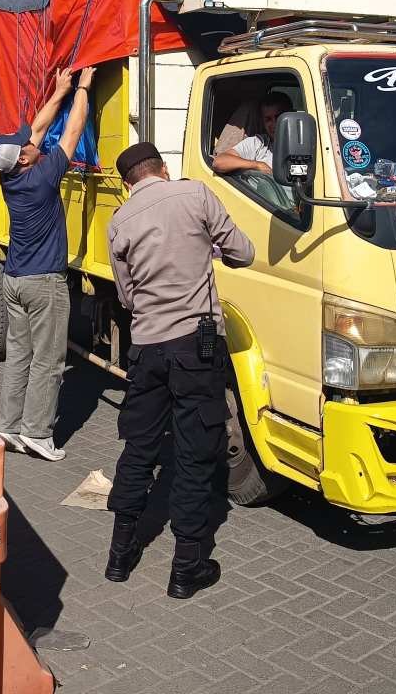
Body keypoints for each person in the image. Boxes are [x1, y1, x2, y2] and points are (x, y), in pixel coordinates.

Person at [104, 141, 255, 599]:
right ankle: (186, 568)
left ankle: (119, 556)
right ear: (163, 169)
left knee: (139, 447)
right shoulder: (196, 194)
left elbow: (127, 297)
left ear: (128, 183)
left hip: (147, 348)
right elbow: (243, 252)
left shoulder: (119, 221)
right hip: (196, 346)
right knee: (193, 453)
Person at [0, 64, 96, 461]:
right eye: (28, 146)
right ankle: (37, 434)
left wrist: (59, 90)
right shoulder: (43, 176)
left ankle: (9, 426)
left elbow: (37, 128)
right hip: (43, 283)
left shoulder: (11, 177)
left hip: (14, 279)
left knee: (19, 356)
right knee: (50, 360)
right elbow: (73, 131)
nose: (35, 141)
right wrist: (83, 89)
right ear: (24, 159)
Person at [211, 92, 293, 175]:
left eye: (278, 117)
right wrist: (257, 165)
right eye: (268, 119)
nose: (274, 124)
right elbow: (219, 162)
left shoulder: (300, 143)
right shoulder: (259, 143)